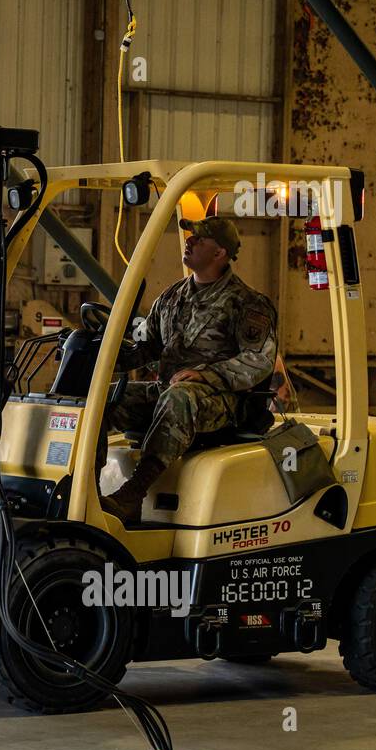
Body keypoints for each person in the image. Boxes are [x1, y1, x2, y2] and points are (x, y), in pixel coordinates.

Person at [99, 217, 278, 524]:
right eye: (191, 237)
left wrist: (207, 374)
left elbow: (258, 360)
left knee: (179, 396)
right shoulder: (171, 297)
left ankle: (133, 492)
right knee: (104, 398)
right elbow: (146, 346)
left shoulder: (246, 303)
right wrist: (101, 355)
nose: (189, 241)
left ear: (219, 253)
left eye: (200, 240)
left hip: (221, 401)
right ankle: (87, 485)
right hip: (168, 390)